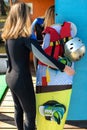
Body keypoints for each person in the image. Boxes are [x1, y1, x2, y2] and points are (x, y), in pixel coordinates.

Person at [1, 2, 75, 130]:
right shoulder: (25, 38)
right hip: (21, 80)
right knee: (30, 115)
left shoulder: (9, 37)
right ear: (23, 17)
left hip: (10, 77)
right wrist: (64, 67)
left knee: (18, 109)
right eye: (28, 14)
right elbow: (43, 57)